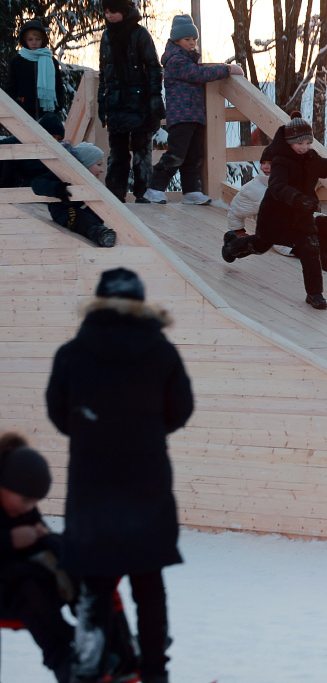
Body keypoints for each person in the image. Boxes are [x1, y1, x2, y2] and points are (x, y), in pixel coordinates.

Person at [46, 267, 195, 683]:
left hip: (91, 485)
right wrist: (144, 432)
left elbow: (59, 415)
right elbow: (180, 410)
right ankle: (154, 673)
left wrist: (95, 433)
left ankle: (91, 671)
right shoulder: (161, 351)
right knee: (148, 584)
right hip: (145, 483)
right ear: (139, 304)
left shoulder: (72, 353)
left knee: (94, 584)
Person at [221, 112, 327, 310]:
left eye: (308, 142)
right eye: (300, 143)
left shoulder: (311, 158)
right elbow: (277, 186)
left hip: (301, 215)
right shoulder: (281, 161)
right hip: (275, 215)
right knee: (260, 245)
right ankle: (232, 247)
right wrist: (298, 198)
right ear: (290, 142)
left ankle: (315, 294)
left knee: (311, 248)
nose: (305, 147)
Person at [143, 14, 242, 206]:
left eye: (194, 39)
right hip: (181, 116)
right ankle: (154, 189)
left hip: (195, 115)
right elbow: (198, 74)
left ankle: (191, 192)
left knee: (194, 156)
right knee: (177, 154)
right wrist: (227, 70)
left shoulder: (187, 59)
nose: (192, 43)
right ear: (176, 40)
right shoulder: (175, 60)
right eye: (187, 39)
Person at [0, 433, 73, 682]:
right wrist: (10, 540)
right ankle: (66, 658)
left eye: (35, 502)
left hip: (23, 579)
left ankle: (107, 639)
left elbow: (39, 535)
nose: (29, 508)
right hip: (11, 591)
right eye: (25, 500)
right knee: (29, 586)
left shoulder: (21, 505)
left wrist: (44, 537)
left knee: (72, 554)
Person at [97, 0, 164, 204]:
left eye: (112, 12)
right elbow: (103, 72)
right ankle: (115, 195)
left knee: (142, 150)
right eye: (105, 12)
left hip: (140, 102)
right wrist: (102, 101)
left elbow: (154, 67)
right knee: (117, 152)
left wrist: (155, 98)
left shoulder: (140, 34)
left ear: (123, 10)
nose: (108, 16)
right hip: (115, 102)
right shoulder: (106, 37)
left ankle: (144, 193)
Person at [31, 142, 118, 247]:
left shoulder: (91, 181)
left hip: (86, 210)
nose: (102, 170)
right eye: (98, 165)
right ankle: (101, 235)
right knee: (83, 220)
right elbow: (37, 184)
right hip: (64, 211)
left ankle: (104, 233)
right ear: (85, 163)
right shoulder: (62, 175)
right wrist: (58, 188)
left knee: (94, 216)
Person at [6, 19, 65, 120]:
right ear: (24, 40)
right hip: (23, 114)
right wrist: (21, 100)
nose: (34, 43)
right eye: (30, 39)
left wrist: (58, 104)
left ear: (43, 40)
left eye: (37, 39)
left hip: (47, 114)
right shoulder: (17, 61)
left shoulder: (50, 60)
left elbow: (58, 86)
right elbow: (11, 88)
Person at [0, 111, 65, 188]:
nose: (56, 141)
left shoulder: (57, 152)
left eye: (59, 139)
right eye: (53, 137)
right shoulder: (19, 143)